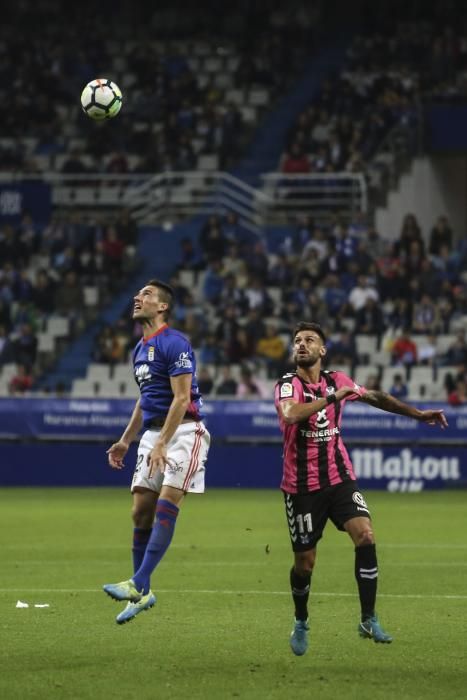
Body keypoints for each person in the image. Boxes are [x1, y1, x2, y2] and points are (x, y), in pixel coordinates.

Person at [274, 321, 447, 656]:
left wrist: (417, 414)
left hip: (339, 478)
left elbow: (374, 397)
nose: (302, 344)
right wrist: (330, 399)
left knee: (365, 535)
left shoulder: (337, 380)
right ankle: (301, 619)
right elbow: (291, 415)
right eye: (297, 341)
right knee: (305, 563)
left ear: (322, 350)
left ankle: (368, 618)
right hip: (302, 487)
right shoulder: (287, 384)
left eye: (310, 340)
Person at [103, 279, 211, 624]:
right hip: (153, 434)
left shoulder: (175, 342)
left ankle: (137, 582)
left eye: (146, 294)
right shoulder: (139, 349)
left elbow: (181, 398)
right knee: (140, 512)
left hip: (184, 432)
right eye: (137, 294)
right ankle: (143, 593)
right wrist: (126, 439)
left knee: (166, 502)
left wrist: (163, 441)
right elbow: (145, 399)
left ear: (162, 306)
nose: (138, 297)